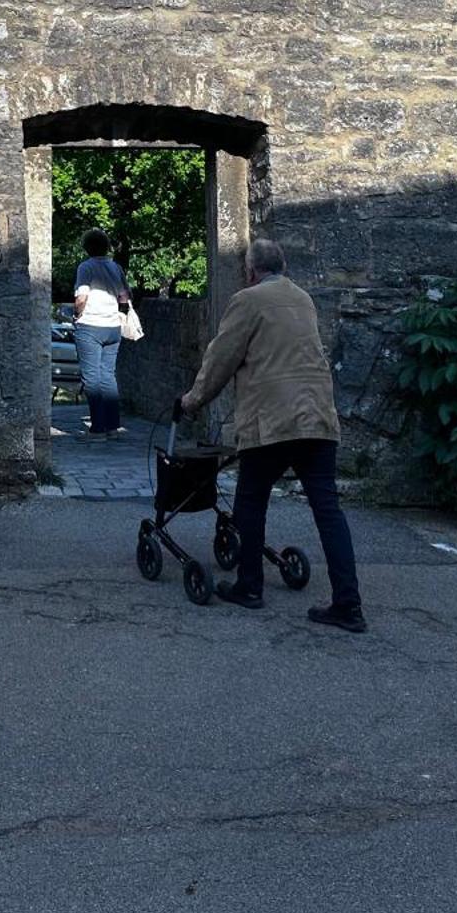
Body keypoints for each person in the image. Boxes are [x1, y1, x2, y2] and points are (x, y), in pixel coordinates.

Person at [179, 237, 365, 633]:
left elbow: (221, 359)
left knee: (250, 501)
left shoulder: (247, 301)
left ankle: (249, 586)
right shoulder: (303, 299)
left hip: (273, 420)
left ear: (250, 271)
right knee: (328, 510)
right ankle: (348, 604)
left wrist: (193, 401)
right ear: (283, 265)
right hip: (317, 417)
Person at [72, 229, 131, 435]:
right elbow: (123, 297)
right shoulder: (116, 267)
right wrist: (120, 316)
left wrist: (76, 314)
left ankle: (97, 427)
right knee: (108, 376)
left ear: (87, 247)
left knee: (91, 378)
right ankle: (113, 425)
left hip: (90, 326)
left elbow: (81, 298)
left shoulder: (85, 267)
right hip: (112, 328)